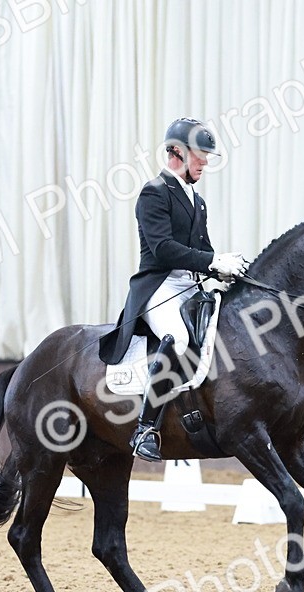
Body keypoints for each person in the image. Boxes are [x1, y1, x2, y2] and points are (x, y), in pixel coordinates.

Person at [98, 117, 246, 461]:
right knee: (177, 338)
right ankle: (145, 429)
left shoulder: (197, 200)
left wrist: (225, 269)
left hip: (190, 286)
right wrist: (213, 261)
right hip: (159, 286)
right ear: (177, 152)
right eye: (199, 155)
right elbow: (163, 248)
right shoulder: (154, 192)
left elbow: (203, 249)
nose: (205, 162)